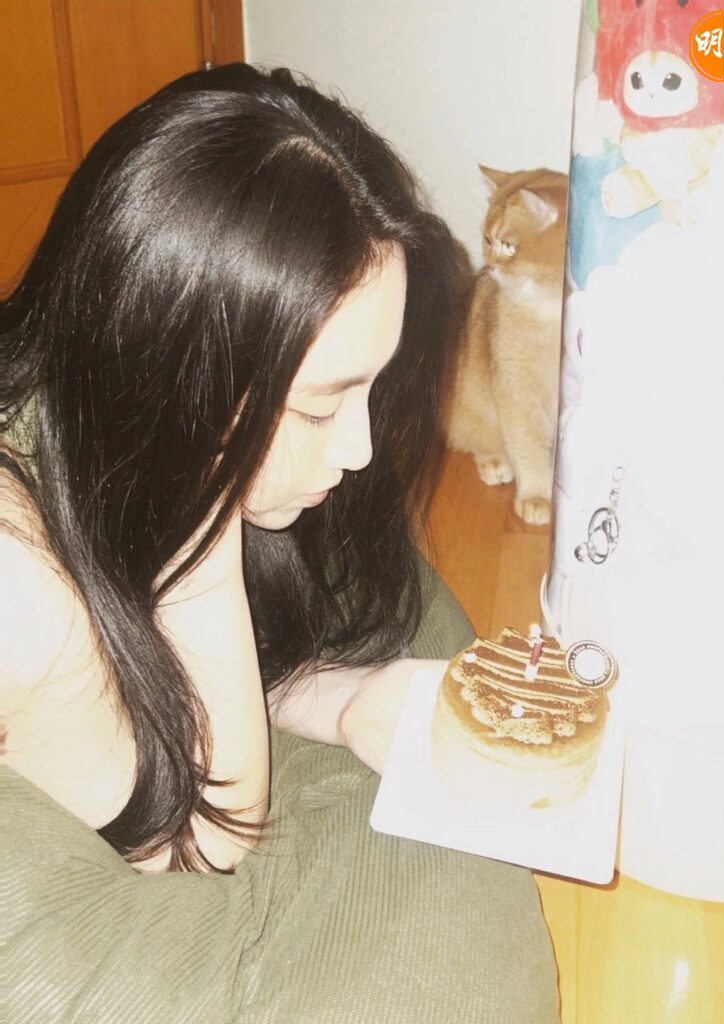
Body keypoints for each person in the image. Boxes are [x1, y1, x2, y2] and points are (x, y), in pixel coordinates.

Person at [2, 64, 560, 1021]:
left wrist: (342, 702)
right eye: (318, 407)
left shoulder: (133, 430)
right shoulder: (26, 597)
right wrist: (205, 539)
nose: (360, 449)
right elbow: (205, 838)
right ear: (178, 377)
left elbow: (206, 668)